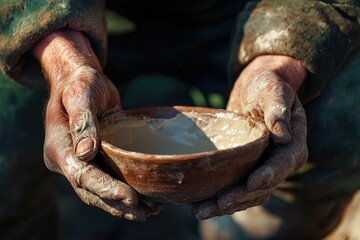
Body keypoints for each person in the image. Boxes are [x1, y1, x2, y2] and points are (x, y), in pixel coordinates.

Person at [0, 0, 359, 239]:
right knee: (8, 124)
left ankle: (259, 228)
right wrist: (69, 63)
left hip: (253, 16)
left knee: (340, 110)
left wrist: (280, 64)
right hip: (99, 18)